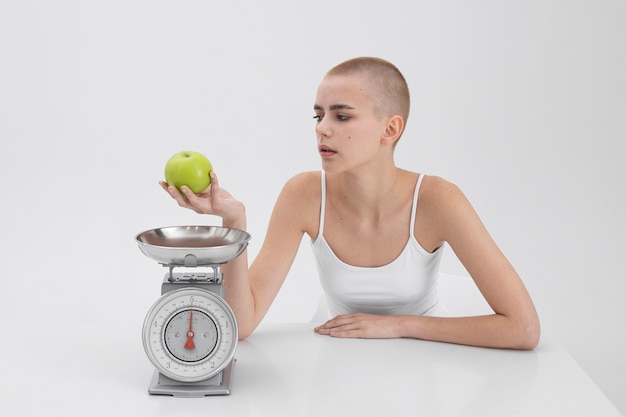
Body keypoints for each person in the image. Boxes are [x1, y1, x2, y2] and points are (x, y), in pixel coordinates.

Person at [160, 57, 540, 350]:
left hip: (425, 355)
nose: (322, 128)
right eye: (319, 114)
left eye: (341, 115)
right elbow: (241, 325)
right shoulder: (304, 194)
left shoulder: (439, 199)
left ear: (390, 129)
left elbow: (523, 328)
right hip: (334, 352)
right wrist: (234, 223)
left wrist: (398, 325)